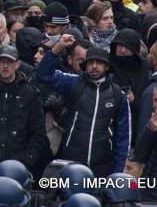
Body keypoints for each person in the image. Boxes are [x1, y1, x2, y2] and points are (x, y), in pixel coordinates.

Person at [36, 36, 131, 177]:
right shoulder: (74, 83)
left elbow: (123, 137)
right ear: (84, 66)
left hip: (103, 167)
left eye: (99, 63)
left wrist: (117, 174)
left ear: (107, 66)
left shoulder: (119, 95)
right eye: (90, 62)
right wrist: (59, 46)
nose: (94, 66)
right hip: (71, 162)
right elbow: (44, 75)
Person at [0, 45, 49, 174]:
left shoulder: (29, 93)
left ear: (17, 64)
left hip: (20, 163)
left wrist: (28, 163)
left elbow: (37, 132)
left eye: (10, 62)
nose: (5, 66)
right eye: (2, 61)